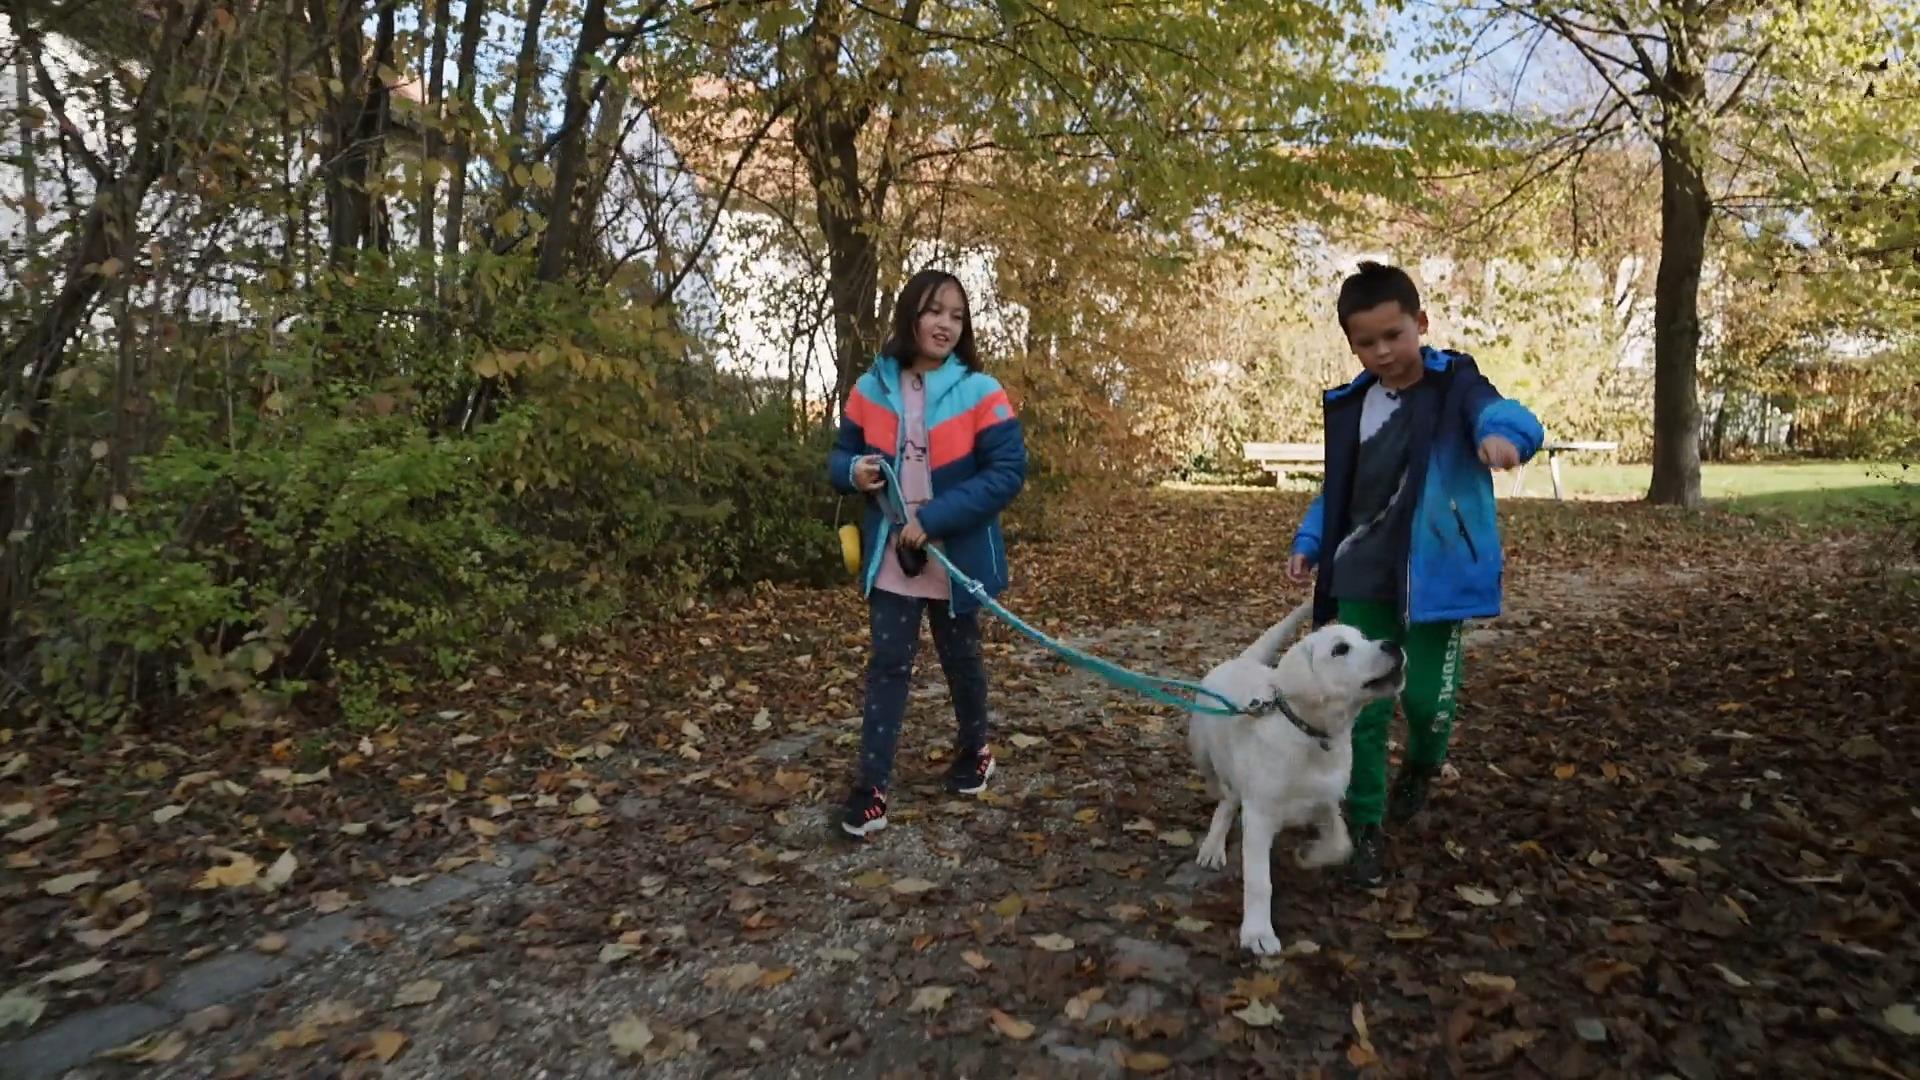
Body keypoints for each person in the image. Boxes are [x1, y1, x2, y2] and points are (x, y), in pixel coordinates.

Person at [1286, 261, 1544, 885]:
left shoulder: (1456, 383)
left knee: (1426, 703)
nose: (1382, 352)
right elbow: (1341, 488)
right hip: (1361, 575)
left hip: (1434, 578)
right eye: (1365, 342)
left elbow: (1506, 413)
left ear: (1420, 324)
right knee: (1363, 707)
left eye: (1393, 335)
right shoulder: (1353, 406)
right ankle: (1364, 823)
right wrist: (1313, 538)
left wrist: (1504, 438)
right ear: (1351, 343)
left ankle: (1424, 765)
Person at [827, 269, 1028, 840]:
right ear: (910, 315)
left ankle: (975, 751)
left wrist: (934, 520)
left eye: (956, 316)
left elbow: (1008, 473)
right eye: (935, 311)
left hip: (954, 557)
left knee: (960, 660)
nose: (945, 324)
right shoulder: (871, 387)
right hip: (891, 555)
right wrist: (853, 471)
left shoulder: (981, 392)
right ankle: (871, 789)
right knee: (888, 666)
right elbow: (838, 457)